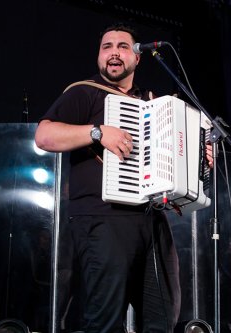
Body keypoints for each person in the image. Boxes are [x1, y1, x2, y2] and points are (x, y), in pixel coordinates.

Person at [34, 23, 213, 333]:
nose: (114, 52)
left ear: (137, 57)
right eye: (107, 47)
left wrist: (200, 160)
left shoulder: (154, 102)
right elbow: (44, 135)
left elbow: (174, 156)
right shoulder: (84, 92)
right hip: (102, 219)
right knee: (104, 321)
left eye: (122, 46)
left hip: (152, 221)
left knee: (162, 319)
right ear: (99, 56)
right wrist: (97, 131)